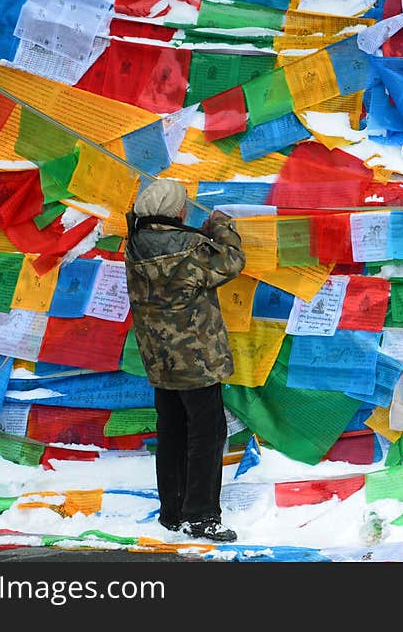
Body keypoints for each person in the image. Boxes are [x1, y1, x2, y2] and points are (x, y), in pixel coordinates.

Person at [123, 178, 246, 543]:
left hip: (159, 358)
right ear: (176, 211)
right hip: (196, 359)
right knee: (206, 436)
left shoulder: (134, 245)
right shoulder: (192, 248)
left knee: (172, 432)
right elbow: (233, 261)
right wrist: (222, 227)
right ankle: (202, 517)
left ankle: (172, 512)